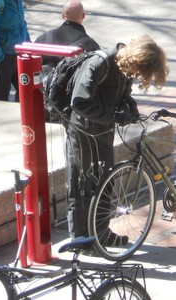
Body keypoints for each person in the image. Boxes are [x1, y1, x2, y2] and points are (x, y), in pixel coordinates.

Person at [66, 35, 169, 242]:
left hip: (103, 131)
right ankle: (80, 239)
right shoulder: (100, 63)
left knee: (105, 183)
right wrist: (112, 117)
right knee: (81, 186)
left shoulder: (126, 67)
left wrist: (129, 106)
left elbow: (121, 93)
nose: (137, 75)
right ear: (135, 60)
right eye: (138, 72)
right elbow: (79, 102)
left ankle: (101, 235)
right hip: (82, 133)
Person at [0, 0, 31, 102]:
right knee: (0, 99)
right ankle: (0, 117)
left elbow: (22, 26)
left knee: (26, 91)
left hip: (18, 53)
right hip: (0, 55)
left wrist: (28, 47)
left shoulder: (17, 2)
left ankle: (22, 117)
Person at [34, 0, 100, 69]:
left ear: (63, 15)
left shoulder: (44, 39)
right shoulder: (90, 46)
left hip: (43, 78)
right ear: (83, 16)